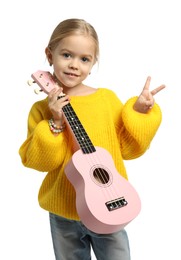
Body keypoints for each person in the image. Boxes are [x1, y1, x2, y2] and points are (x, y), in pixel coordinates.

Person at [19, 18, 165, 260]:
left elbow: (128, 149)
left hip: (112, 204)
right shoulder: (41, 109)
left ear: (93, 62)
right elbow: (39, 162)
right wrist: (55, 121)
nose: (74, 65)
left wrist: (139, 112)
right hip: (64, 212)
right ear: (49, 54)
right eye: (67, 55)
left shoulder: (106, 99)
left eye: (84, 59)